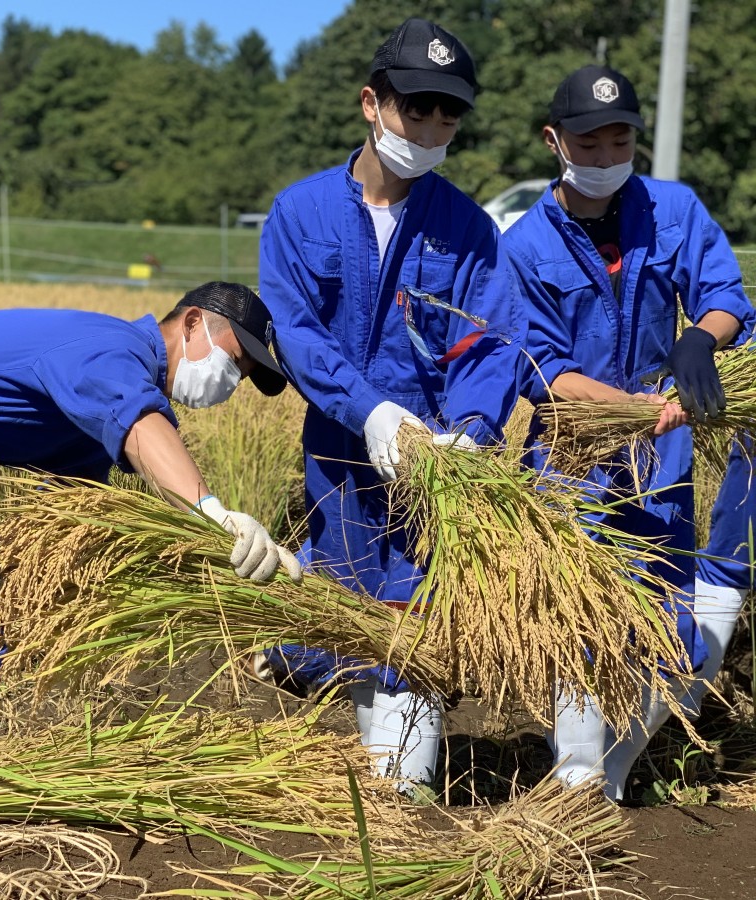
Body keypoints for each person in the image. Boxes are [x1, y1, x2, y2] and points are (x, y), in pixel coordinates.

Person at [0, 281, 303, 746]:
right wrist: (213, 516)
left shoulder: (110, 379)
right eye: (234, 361)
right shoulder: (113, 350)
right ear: (192, 322)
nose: (231, 381)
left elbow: (63, 505)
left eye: (242, 376)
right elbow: (139, 424)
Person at [256, 18, 525, 791]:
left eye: (449, 116)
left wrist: (471, 430)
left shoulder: (467, 228)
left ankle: (402, 792)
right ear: (372, 104)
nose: (432, 131)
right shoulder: (300, 213)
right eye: (417, 110)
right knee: (346, 608)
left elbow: (489, 342)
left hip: (433, 462)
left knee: (415, 617)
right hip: (340, 449)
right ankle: (307, 670)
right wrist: (370, 411)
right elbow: (297, 334)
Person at [505, 65, 756, 800]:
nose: (607, 155)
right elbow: (540, 368)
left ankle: (607, 772)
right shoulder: (523, 246)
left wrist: (701, 339)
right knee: (580, 621)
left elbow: (725, 297)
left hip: (663, 449)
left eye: (621, 141)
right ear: (554, 141)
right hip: (572, 453)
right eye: (589, 143)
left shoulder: (672, 209)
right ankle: (579, 780)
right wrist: (632, 408)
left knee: (665, 624)